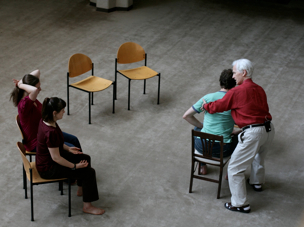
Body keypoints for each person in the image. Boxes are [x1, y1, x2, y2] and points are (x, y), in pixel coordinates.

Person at [202, 59, 275, 213]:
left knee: (234, 168)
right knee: (259, 156)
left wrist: (205, 106)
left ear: (244, 73)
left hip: (253, 133)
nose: (233, 77)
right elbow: (256, 111)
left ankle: (240, 204)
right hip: (268, 129)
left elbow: (219, 105)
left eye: (235, 73)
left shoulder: (237, 91)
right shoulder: (260, 89)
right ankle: (257, 182)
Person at [36, 97, 104, 215]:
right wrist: (74, 166)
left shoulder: (47, 120)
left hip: (53, 159)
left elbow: (55, 144)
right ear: (54, 113)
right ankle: (87, 206)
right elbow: (56, 158)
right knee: (89, 172)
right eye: (62, 110)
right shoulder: (49, 131)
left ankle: (81, 188)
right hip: (48, 168)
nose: (64, 112)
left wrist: (68, 148)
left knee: (85, 158)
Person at [10, 70, 82, 153]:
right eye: (38, 87)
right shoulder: (24, 105)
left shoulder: (31, 99)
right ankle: (75, 165)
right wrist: (20, 84)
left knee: (74, 139)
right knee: (71, 147)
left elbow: (37, 71)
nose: (40, 89)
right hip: (36, 142)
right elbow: (34, 90)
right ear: (28, 89)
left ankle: (84, 163)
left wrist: (22, 82)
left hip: (45, 132)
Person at [183, 69, 238, 175]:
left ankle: (202, 166)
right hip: (223, 150)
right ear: (234, 84)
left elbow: (186, 116)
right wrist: (236, 130)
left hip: (201, 147)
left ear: (220, 82)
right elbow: (245, 123)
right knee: (240, 138)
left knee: (197, 128)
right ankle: (231, 172)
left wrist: (201, 125)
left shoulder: (208, 98)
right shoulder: (235, 101)